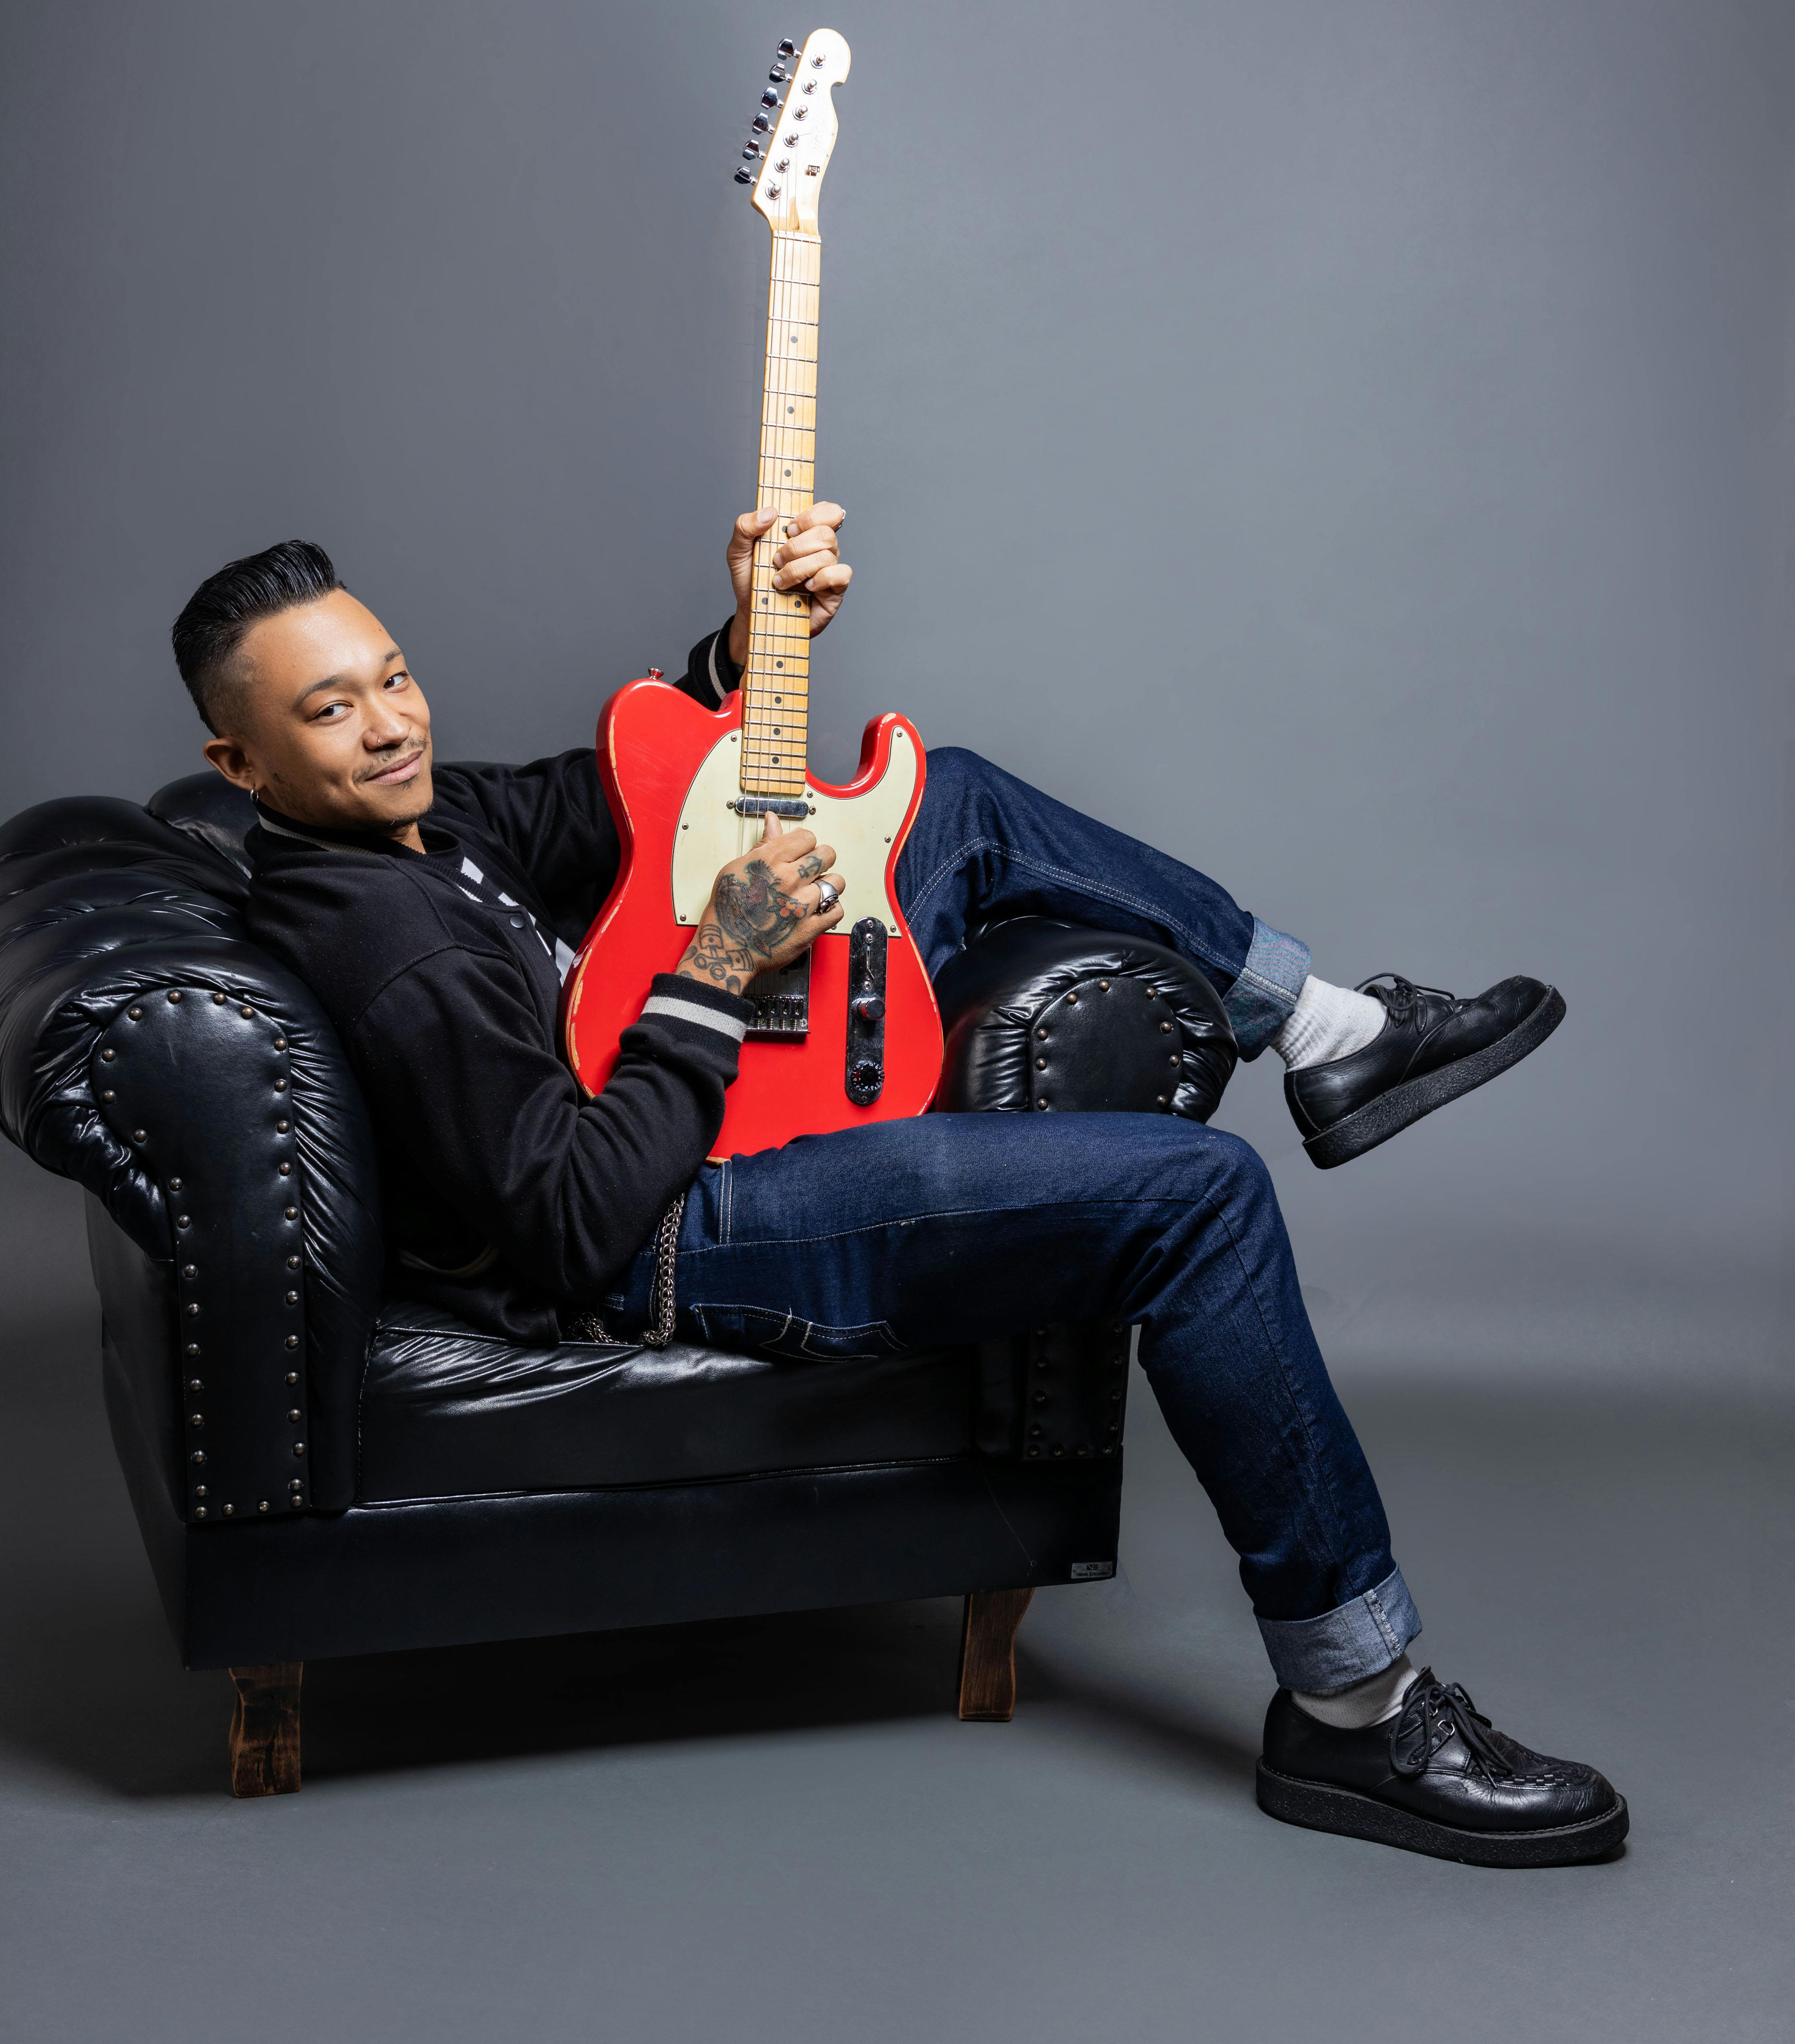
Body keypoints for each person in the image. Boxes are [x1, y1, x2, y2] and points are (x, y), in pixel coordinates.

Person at [169, 518, 1627, 1868]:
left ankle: (1324, 1028)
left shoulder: (419, 820)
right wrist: (715, 974)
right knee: (1201, 1196)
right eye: (331, 711)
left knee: (963, 802)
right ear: (243, 765)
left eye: (396, 677)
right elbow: (567, 1223)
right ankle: (1357, 1712)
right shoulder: (382, 941)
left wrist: (750, 648)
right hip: (675, 1226)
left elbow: (610, 793)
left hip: (693, 1104)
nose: (393, 725)